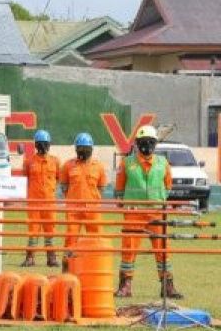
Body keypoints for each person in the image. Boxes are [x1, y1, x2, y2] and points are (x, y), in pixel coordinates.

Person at [114, 125, 176, 299]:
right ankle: (125, 286)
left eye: (150, 142)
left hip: (157, 212)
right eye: (143, 142)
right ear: (137, 143)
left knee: (162, 249)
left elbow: (168, 186)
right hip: (133, 212)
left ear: (155, 144)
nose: (146, 146)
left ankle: (167, 286)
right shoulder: (126, 163)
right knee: (129, 249)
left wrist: (160, 200)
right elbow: (119, 188)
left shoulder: (163, 163)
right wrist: (123, 205)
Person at [58, 133, 108, 261]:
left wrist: (92, 199)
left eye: (85, 149)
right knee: (71, 237)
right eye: (80, 149)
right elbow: (64, 186)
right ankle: (68, 265)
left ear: (91, 149)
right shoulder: (68, 165)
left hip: (92, 209)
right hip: (73, 210)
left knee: (95, 237)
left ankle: (95, 261)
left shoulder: (99, 167)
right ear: (76, 149)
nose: (83, 152)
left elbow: (101, 188)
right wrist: (73, 198)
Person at [21, 130, 61, 268]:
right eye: (40, 144)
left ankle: (51, 258)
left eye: (45, 144)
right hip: (33, 203)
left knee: (50, 230)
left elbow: (58, 178)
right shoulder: (29, 161)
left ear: (49, 145)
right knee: (33, 230)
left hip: (49, 203)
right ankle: (30, 257)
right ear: (36, 145)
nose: (43, 146)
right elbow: (25, 178)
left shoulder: (55, 161)